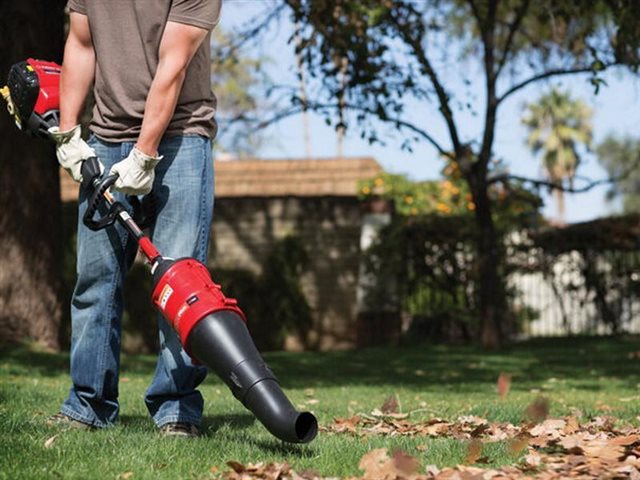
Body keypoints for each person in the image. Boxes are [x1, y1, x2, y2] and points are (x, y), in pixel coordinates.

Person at [46, 0, 222, 437]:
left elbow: (174, 63)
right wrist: (69, 133)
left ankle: (177, 409)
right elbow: (81, 43)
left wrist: (144, 154)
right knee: (95, 281)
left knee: (182, 286)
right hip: (105, 138)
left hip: (181, 138)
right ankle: (88, 405)